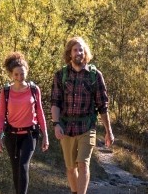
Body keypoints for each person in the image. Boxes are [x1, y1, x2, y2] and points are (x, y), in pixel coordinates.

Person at [50, 36, 114, 194]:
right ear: (69, 53)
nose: (79, 53)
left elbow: (102, 105)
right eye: (75, 50)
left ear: (85, 52)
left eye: (81, 49)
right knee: (70, 168)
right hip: (66, 127)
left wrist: (108, 131)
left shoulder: (94, 75)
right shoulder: (61, 75)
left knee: (83, 164)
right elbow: (55, 102)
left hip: (87, 127)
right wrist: (56, 124)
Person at [0, 52, 49, 194]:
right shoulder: (6, 91)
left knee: (23, 165)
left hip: (30, 135)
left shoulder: (33, 90)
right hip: (11, 135)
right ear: (11, 75)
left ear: (26, 72)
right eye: (16, 75)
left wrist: (45, 136)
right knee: (16, 168)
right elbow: (0, 116)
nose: (19, 78)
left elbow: (40, 113)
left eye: (22, 74)